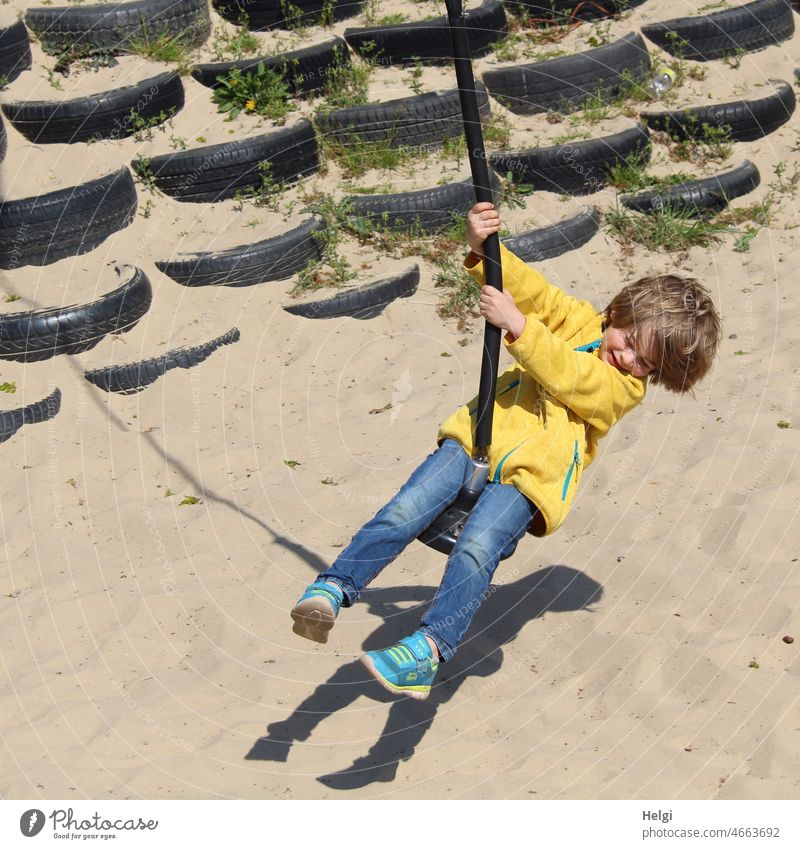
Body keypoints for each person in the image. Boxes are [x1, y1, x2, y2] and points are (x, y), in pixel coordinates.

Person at [290, 201, 721, 700]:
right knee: (404, 510)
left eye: (644, 362)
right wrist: (484, 249)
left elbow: (571, 375)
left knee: (475, 547)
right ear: (618, 312)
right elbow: (536, 295)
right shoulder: (581, 322)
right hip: (478, 435)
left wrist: (518, 329)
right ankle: (334, 588)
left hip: (528, 480)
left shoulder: (622, 390)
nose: (626, 359)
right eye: (628, 341)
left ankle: (429, 648)